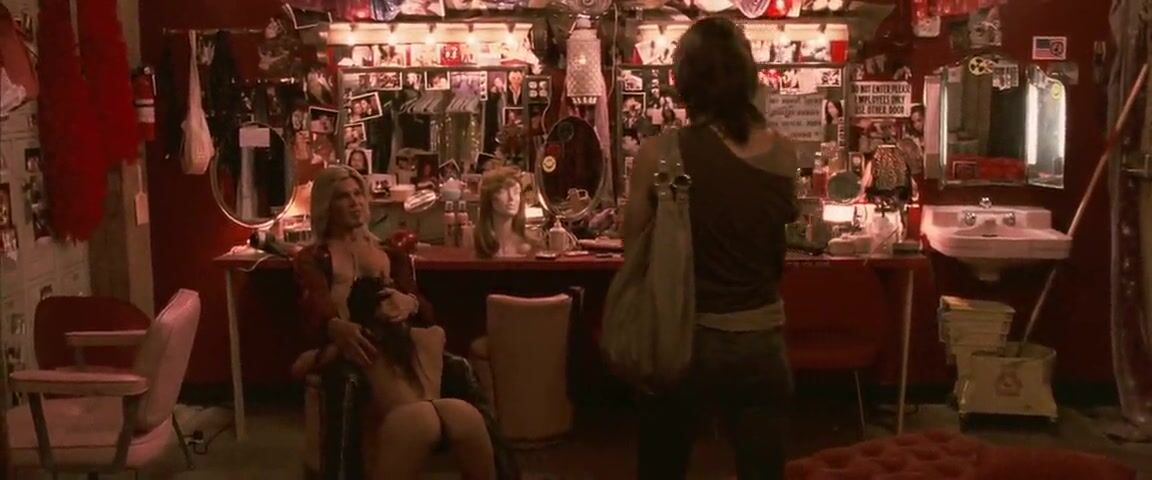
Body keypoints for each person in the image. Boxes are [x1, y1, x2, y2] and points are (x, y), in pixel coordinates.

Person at [621, 17, 797, 480]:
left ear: (683, 80)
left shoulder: (659, 154)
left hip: (683, 337)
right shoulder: (783, 153)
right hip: (761, 339)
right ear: (748, 76)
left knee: (662, 466)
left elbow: (631, 247)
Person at [292, 166, 519, 479]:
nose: (355, 202)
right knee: (346, 379)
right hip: (350, 346)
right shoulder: (315, 257)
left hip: (396, 340)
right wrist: (335, 325)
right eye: (344, 197)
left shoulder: (388, 254)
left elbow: (426, 311)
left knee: (459, 367)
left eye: (358, 194)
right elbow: (315, 305)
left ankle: (504, 470)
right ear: (326, 206)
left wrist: (409, 302)